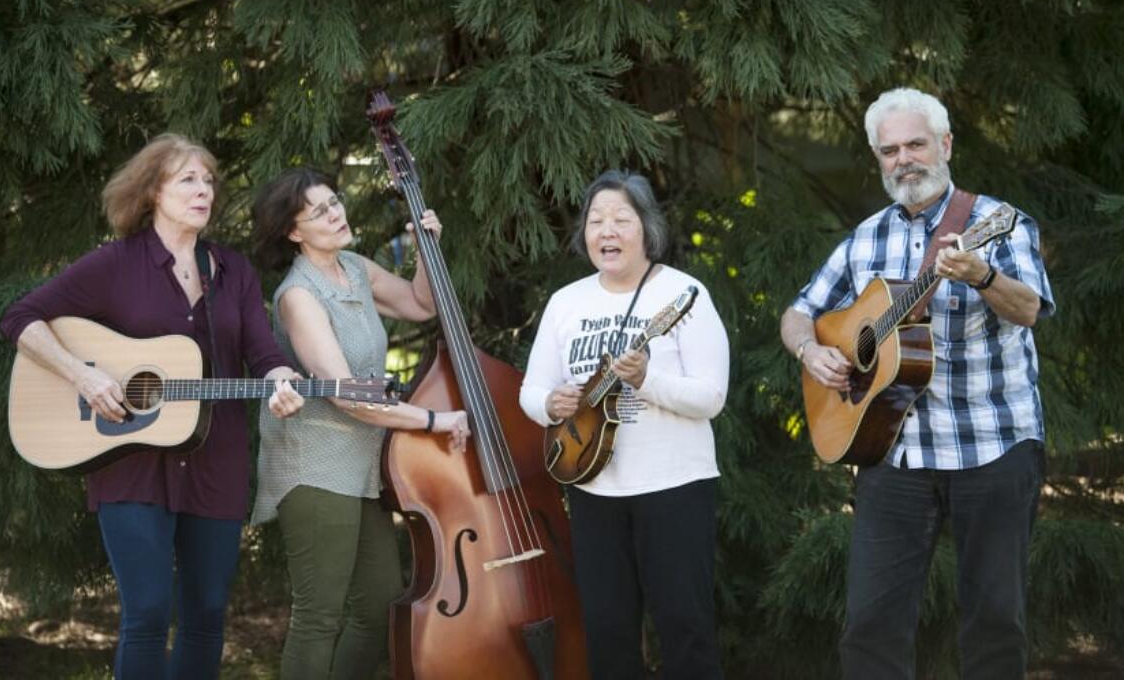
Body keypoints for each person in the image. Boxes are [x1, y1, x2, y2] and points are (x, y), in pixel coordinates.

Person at [0, 134, 305, 679]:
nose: (203, 190)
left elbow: (264, 354)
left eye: (208, 180)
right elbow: (21, 319)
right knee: (146, 613)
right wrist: (84, 375)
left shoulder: (231, 271)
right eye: (188, 179)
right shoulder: (115, 264)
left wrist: (282, 382)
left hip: (217, 462)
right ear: (151, 192)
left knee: (207, 613)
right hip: (129, 465)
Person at [780, 87, 1054, 679]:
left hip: (993, 446)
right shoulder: (865, 238)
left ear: (945, 145)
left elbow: (1030, 307)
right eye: (889, 150)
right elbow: (800, 310)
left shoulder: (996, 222)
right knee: (870, 627)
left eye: (915, 144)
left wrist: (980, 273)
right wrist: (810, 351)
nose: (903, 159)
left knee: (994, 623)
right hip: (893, 453)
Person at [248, 168, 471, 680]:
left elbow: (421, 303)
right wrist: (433, 420)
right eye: (320, 211)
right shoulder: (298, 296)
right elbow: (348, 397)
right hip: (314, 463)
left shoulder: (354, 266)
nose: (337, 214)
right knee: (319, 616)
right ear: (293, 231)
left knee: (377, 606)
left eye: (336, 201)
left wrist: (425, 250)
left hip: (363, 462)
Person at [519, 169, 731, 679]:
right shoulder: (566, 303)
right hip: (594, 489)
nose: (606, 231)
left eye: (620, 219)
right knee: (608, 633)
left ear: (647, 229)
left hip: (675, 487)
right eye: (596, 221)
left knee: (686, 628)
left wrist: (646, 380)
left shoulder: (685, 295)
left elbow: (711, 397)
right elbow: (531, 391)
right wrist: (554, 404)